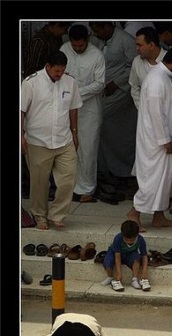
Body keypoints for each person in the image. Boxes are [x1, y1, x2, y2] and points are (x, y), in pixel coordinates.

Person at [127, 44, 172, 231]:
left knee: (164, 180)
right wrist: (165, 140)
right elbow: (157, 114)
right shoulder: (156, 80)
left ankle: (159, 216)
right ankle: (134, 213)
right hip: (156, 142)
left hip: (163, 140)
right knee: (152, 180)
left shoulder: (164, 77)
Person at [21, 50, 82, 230]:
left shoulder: (70, 82)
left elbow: (73, 109)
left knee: (68, 179)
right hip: (38, 141)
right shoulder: (31, 83)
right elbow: (21, 110)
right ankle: (39, 215)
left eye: (62, 70)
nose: (60, 74)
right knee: (39, 183)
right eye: (57, 71)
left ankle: (58, 214)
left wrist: (75, 133)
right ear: (47, 66)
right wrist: (20, 135)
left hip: (64, 140)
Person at [88, 21, 138, 194]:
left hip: (121, 92)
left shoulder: (126, 40)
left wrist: (116, 83)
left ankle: (122, 171)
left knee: (101, 121)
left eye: (97, 30)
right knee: (99, 127)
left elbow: (134, 66)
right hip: (100, 91)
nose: (95, 34)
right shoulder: (96, 40)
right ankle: (104, 169)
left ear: (107, 26)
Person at [60, 24, 106, 203]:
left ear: (87, 40)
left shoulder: (97, 55)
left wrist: (76, 93)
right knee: (68, 148)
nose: (77, 48)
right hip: (66, 108)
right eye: (75, 45)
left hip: (89, 110)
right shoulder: (64, 49)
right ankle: (69, 187)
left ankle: (87, 188)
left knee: (88, 149)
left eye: (81, 45)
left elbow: (99, 84)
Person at [100, 219, 149, 292]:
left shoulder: (140, 239)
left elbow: (144, 256)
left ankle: (134, 279)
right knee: (108, 261)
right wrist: (119, 274)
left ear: (136, 235)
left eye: (132, 240)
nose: (129, 242)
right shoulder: (118, 238)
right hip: (115, 253)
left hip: (130, 253)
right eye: (126, 239)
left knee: (137, 258)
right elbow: (117, 256)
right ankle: (110, 277)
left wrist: (144, 273)